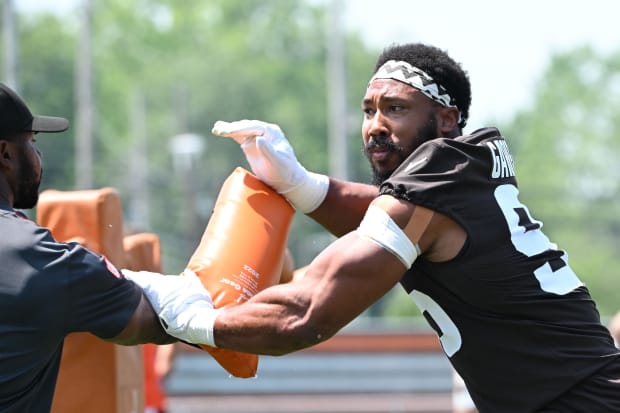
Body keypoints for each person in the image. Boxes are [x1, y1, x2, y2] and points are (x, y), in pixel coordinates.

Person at [139, 43, 620, 412]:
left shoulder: (434, 179)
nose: (375, 125)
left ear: (447, 120)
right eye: (369, 110)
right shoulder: (453, 185)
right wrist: (302, 185)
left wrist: (190, 319)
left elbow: (306, 314)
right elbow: (381, 214)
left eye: (396, 108)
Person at [0, 82, 214, 412]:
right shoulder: (35, 258)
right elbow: (171, 323)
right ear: (5, 154)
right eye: (32, 142)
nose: (37, 155)